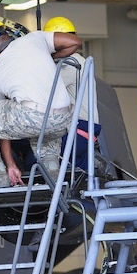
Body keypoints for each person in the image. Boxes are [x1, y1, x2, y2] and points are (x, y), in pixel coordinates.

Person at [0, 18, 82, 189]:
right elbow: (74, 42)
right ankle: (52, 170)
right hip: (63, 120)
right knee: (42, 116)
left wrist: (10, 165)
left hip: (33, 118)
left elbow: (0, 128)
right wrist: (49, 56)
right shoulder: (35, 39)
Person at [43, 16, 101, 172]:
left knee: (33, 158)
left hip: (77, 129)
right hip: (81, 129)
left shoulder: (71, 63)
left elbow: (45, 89)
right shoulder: (76, 61)